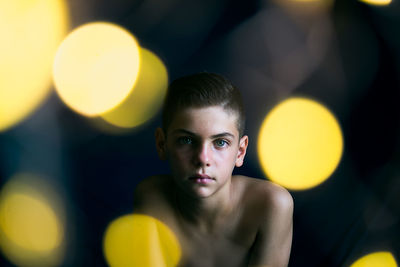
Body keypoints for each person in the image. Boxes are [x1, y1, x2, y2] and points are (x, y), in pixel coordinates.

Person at [133, 72, 293, 267]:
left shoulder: (272, 204)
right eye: (186, 140)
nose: (202, 158)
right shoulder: (153, 198)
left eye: (220, 142)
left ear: (240, 151)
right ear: (162, 144)